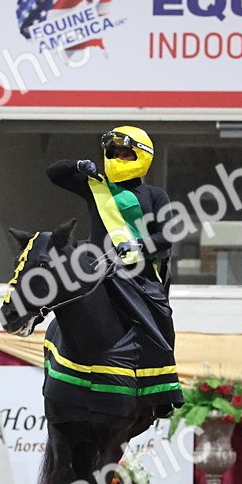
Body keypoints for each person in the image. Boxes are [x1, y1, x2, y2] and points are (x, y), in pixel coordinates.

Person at [45, 125, 179, 417]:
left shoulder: (155, 195)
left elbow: (167, 235)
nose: (117, 157)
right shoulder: (96, 184)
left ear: (141, 157)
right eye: (112, 152)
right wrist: (78, 166)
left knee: (162, 319)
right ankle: (54, 362)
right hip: (98, 270)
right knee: (62, 304)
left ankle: (162, 389)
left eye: (125, 153)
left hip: (138, 275)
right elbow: (54, 173)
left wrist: (138, 245)